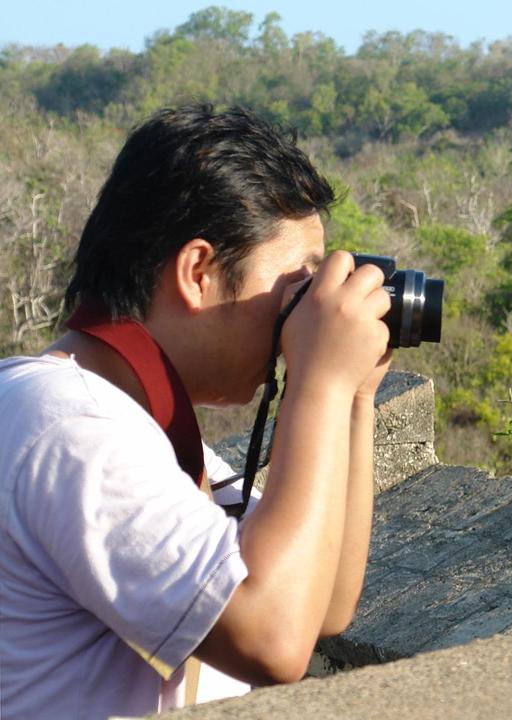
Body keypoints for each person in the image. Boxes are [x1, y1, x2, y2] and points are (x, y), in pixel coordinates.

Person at [0, 105, 392, 718]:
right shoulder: (73, 430)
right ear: (199, 271)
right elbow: (274, 638)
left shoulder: (140, 431)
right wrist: (318, 378)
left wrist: (352, 394)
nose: (305, 315)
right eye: (297, 291)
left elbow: (324, 605)